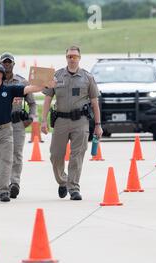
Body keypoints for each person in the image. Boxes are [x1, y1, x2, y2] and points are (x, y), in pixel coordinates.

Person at [0, 63, 54, 203]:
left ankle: (4, 191)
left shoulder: (10, 89)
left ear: (0, 75)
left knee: (7, 161)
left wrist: (46, 85)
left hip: (6, 130)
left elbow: (30, 88)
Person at [41, 46, 103, 201]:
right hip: (61, 120)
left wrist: (98, 124)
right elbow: (48, 98)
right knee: (55, 155)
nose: (72, 59)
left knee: (77, 155)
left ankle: (74, 188)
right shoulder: (56, 76)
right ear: (66, 58)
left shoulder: (88, 78)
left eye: (75, 56)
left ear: (79, 58)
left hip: (80, 122)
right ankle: (63, 181)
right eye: (69, 56)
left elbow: (95, 103)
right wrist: (43, 120)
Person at [0, 52, 37, 199]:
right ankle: (0, 184)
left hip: (16, 124)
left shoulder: (21, 82)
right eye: (4, 62)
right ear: (0, 64)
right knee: (0, 155)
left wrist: (31, 118)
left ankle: (14, 183)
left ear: (13, 64)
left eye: (9, 62)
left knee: (16, 154)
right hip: (0, 123)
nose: (7, 64)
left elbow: (32, 103)